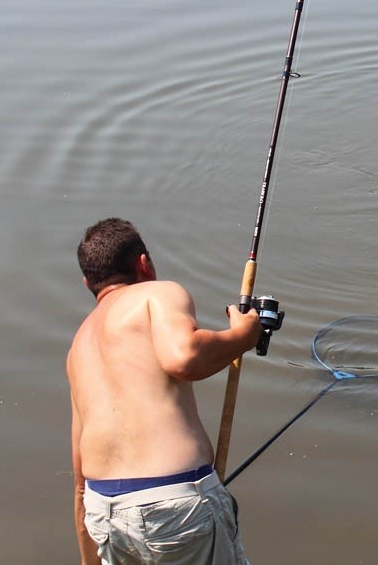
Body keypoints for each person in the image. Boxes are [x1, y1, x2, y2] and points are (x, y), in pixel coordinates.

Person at [67, 217, 262, 565]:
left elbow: (80, 480)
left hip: (103, 513)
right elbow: (184, 357)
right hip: (174, 504)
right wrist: (243, 336)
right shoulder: (156, 293)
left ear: (87, 282)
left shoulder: (79, 345)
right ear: (143, 263)